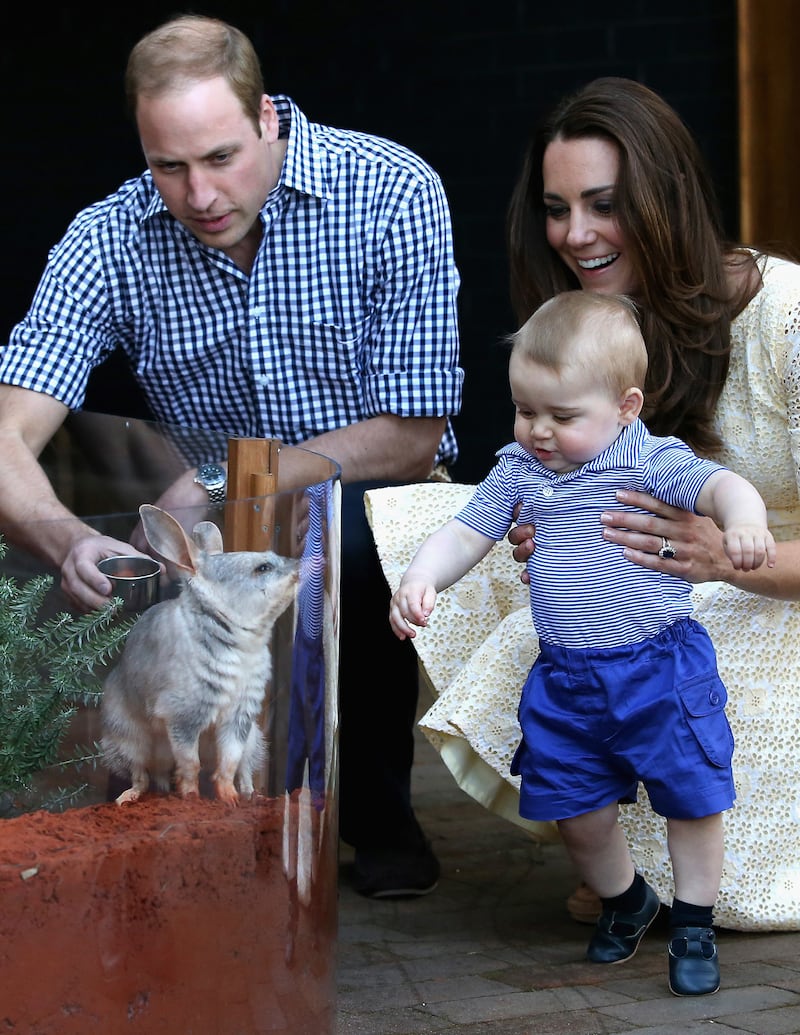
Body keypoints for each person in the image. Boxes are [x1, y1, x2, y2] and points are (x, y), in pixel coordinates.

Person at [0, 15, 463, 898]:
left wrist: (221, 478)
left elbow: (414, 429)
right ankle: (158, 818)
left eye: (220, 158)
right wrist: (66, 540)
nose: (198, 193)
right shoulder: (108, 237)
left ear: (268, 121)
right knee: (126, 583)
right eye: (168, 166)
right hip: (205, 519)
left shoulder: (393, 189)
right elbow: (4, 431)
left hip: (368, 486)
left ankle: (371, 813)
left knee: (341, 556)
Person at [365, 74, 800, 935]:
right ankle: (614, 862)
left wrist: (725, 556)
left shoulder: (786, 315)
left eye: (603, 204)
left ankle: (687, 873)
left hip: (777, 588)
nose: (575, 234)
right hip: (659, 583)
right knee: (427, 532)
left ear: (667, 198)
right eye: (558, 209)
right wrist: (552, 528)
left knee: (683, 705)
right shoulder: (594, 321)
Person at [389, 290, 774, 995]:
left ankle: (693, 920)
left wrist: (744, 521)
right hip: (567, 676)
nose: (538, 429)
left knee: (691, 796)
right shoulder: (521, 468)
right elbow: (467, 530)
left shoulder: (650, 459)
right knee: (575, 808)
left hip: (660, 667)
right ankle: (628, 898)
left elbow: (720, 485)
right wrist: (422, 575)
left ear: (625, 407)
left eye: (562, 416)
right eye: (524, 408)